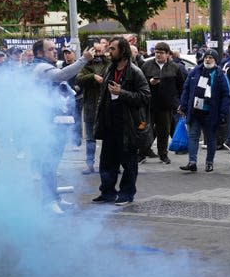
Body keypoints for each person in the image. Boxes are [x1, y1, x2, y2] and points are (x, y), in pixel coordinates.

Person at [31, 39, 94, 213]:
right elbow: (61, 76)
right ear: (39, 53)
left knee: (52, 163)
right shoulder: (40, 68)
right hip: (45, 124)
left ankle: (54, 199)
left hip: (52, 123)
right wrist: (83, 60)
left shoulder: (46, 66)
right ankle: (48, 202)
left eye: (54, 48)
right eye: (50, 49)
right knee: (48, 164)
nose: (55, 51)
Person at [92, 37, 150, 205]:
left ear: (123, 51)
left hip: (128, 126)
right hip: (109, 123)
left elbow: (145, 97)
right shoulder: (109, 69)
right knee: (107, 161)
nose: (109, 52)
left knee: (129, 163)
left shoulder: (135, 72)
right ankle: (108, 192)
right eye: (109, 49)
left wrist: (122, 92)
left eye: (112, 49)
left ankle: (126, 194)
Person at [178, 49, 230, 172]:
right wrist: (183, 105)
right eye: (206, 57)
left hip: (211, 112)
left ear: (215, 60)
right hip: (195, 111)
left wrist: (223, 113)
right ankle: (192, 162)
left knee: (211, 138)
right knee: (193, 136)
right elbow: (186, 89)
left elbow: (226, 95)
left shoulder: (219, 74)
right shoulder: (195, 71)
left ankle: (209, 162)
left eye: (211, 58)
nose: (207, 59)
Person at [140, 41, 185, 164]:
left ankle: (163, 154)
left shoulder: (174, 67)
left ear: (167, 54)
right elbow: (140, 83)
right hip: (148, 104)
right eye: (156, 52)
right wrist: (150, 82)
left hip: (166, 105)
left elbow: (181, 87)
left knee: (164, 131)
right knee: (144, 129)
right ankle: (141, 153)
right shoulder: (146, 65)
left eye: (161, 53)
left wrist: (179, 103)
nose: (158, 55)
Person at [76, 37, 110, 174]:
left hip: (107, 106)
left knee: (109, 138)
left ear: (104, 50)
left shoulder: (110, 63)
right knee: (90, 139)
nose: (97, 53)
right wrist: (93, 77)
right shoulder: (85, 65)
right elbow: (79, 79)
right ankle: (89, 164)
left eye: (99, 50)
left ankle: (109, 164)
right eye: (95, 50)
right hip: (90, 106)